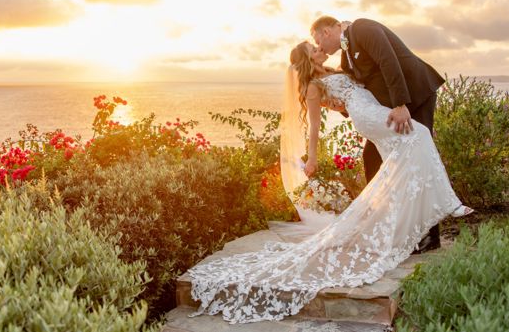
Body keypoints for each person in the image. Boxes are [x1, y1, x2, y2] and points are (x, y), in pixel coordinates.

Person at [186, 41, 471, 324]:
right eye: (313, 49)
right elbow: (314, 126)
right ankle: (448, 203)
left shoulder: (335, 69)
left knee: (400, 164)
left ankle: (413, 222)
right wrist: (312, 158)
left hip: (369, 106)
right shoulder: (313, 86)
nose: (319, 49)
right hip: (367, 114)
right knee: (419, 135)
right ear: (307, 59)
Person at [311, 15, 446, 253]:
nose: (319, 47)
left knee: (420, 159)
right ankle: (387, 222)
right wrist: (341, 107)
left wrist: (401, 104)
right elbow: (360, 89)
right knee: (371, 158)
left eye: (317, 41)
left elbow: (388, 60)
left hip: (416, 95)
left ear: (326, 32)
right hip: (396, 107)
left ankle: (430, 234)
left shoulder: (363, 28)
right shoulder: (345, 57)